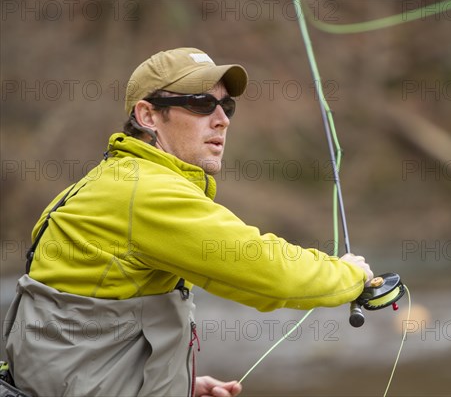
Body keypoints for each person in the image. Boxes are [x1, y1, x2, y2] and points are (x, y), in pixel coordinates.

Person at [3, 47, 373, 397]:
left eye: (227, 105)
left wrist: (174, 382)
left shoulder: (111, 181)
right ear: (148, 116)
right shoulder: (144, 193)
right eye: (201, 103)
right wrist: (349, 276)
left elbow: (83, 331)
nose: (222, 119)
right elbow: (269, 272)